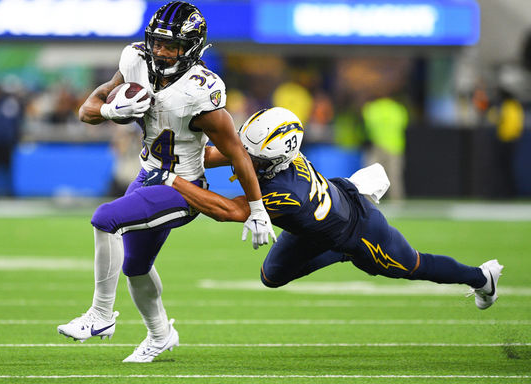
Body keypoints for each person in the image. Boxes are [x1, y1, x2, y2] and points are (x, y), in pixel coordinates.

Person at [56, 1, 276, 363]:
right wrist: (111, 110)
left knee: (105, 219)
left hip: (181, 188)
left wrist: (256, 208)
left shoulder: (200, 89)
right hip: (148, 174)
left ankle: (100, 316)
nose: (160, 51)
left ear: (191, 48)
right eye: (157, 42)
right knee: (136, 267)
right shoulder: (135, 61)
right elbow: (86, 110)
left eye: (171, 45)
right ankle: (160, 335)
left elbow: (236, 151)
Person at [143, 107, 504, 311]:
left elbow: (227, 210)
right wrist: (168, 150)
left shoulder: (286, 193)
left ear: (274, 155)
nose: (244, 157)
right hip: (322, 214)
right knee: (271, 277)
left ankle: (480, 278)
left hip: (358, 228)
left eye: (253, 155)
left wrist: (171, 180)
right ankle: (339, 246)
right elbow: (218, 155)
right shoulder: (277, 154)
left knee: (412, 266)